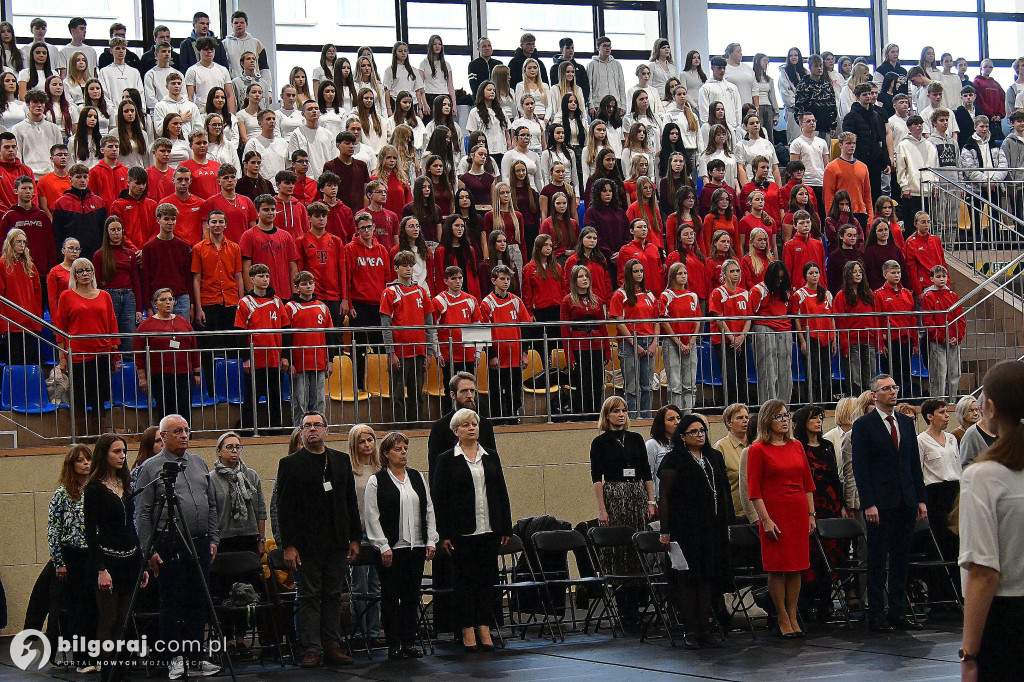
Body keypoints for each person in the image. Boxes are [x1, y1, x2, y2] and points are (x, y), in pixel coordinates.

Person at [133, 414, 221, 678]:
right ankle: (174, 657)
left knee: (198, 599)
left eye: (186, 430)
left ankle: (195, 657)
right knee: (171, 602)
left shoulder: (198, 462)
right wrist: (149, 549)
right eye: (177, 431)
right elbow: (143, 513)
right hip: (168, 541)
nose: (184, 435)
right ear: (163, 436)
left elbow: (212, 503)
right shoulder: (150, 468)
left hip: (200, 541)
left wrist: (213, 538)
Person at [276, 411, 361, 668]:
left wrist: (355, 538)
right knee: (309, 596)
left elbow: (350, 503)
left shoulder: (340, 460)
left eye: (317, 425)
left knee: (334, 596)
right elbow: (283, 508)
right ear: (301, 432)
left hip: (336, 542)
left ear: (326, 430)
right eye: (307, 426)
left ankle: (332, 646)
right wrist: (288, 545)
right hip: (305, 545)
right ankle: (311, 648)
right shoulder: (289, 464)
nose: (313, 429)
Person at [957, 360, 1024, 681]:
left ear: (991, 408)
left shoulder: (983, 476)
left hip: (1007, 618)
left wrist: (969, 652)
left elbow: (983, 573)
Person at [431, 407, 512, 652]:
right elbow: (439, 498)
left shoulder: (491, 455)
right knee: (464, 582)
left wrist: (505, 526)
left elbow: (501, 492)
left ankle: (484, 626)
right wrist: (442, 534)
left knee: (486, 580)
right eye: (466, 425)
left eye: (474, 424)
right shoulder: (446, 459)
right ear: (456, 431)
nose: (472, 428)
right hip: (461, 531)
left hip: (488, 528)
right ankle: (466, 628)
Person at [851, 374, 928, 632]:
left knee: (900, 558)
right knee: (877, 559)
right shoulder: (864, 425)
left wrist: (920, 498)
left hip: (905, 499)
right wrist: (868, 503)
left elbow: (913, 464)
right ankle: (875, 613)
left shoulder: (906, 423)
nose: (892, 392)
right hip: (880, 503)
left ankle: (897, 611)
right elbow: (860, 469)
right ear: (874, 395)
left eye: (894, 387)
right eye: (886, 389)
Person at [658, 412, 734, 648]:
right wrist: (665, 530)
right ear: (682, 436)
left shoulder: (714, 456)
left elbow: (723, 491)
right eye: (694, 432)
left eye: (702, 431)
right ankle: (690, 627)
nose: (699, 435)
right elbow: (665, 497)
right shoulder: (674, 460)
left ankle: (705, 624)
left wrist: (727, 522)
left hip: (712, 527)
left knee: (707, 575)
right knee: (688, 578)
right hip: (686, 528)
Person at [364, 431, 437, 660]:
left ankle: (409, 641)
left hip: (414, 546)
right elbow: (372, 515)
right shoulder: (376, 480)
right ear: (386, 453)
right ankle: (393, 643)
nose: (403, 453)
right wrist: (382, 545)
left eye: (405, 448)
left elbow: (428, 509)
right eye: (397, 449)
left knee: (411, 596)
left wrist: (430, 539)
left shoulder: (417, 477)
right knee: (390, 595)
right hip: (391, 549)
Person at [746, 399, 816, 638]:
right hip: (774, 513)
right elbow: (754, 490)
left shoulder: (796, 445)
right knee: (777, 568)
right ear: (767, 420)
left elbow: (808, 483)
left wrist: (811, 514)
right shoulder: (758, 449)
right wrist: (765, 520)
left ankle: (794, 614)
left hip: (797, 512)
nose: (785, 420)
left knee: (796, 567)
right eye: (779, 416)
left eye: (787, 415)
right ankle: (781, 616)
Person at [83, 433, 147, 680]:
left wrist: (141, 562)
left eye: (123, 452)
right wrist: (100, 569)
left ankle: (122, 668)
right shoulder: (94, 489)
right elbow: (90, 533)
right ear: (104, 454)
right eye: (116, 452)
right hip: (107, 560)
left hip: (129, 558)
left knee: (124, 619)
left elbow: (131, 526)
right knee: (108, 619)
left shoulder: (125, 483)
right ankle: (107, 671)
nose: (121, 456)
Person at [589, 395, 655, 628]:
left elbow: (646, 472)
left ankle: (639, 604)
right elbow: (597, 478)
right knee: (619, 551)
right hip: (614, 495)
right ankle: (624, 607)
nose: (621, 414)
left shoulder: (636, 439)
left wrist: (651, 501)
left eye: (624, 410)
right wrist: (602, 509)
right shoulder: (600, 443)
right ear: (607, 415)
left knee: (638, 550)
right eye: (616, 411)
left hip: (636, 493)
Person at [55, 257, 119, 437]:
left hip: (102, 354)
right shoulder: (66, 296)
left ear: (93, 273)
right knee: (80, 400)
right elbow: (61, 329)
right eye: (80, 271)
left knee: (99, 400)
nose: (85, 274)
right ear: (74, 275)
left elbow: (112, 325)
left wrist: (115, 355)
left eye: (88, 270)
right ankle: (82, 439)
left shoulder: (105, 296)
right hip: (77, 356)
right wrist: (62, 357)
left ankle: (100, 438)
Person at [792, 404, 845, 622]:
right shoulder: (797, 446)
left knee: (832, 554)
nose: (818, 421)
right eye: (814, 418)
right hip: (809, 504)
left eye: (820, 418)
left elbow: (834, 476)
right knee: (811, 556)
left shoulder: (826, 446)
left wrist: (841, 504)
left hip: (830, 502)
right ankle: (806, 604)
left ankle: (825, 602)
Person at [48, 445, 96, 674]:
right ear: (72, 465)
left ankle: (98, 655)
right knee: (79, 607)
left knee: (96, 606)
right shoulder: (62, 493)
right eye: (80, 460)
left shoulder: (96, 490)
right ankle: (81, 658)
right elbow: (53, 530)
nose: (86, 463)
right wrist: (59, 562)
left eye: (88, 459)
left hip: (95, 553)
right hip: (73, 554)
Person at [234, 263, 290, 431]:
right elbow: (239, 332)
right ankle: (247, 430)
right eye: (260, 276)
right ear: (252, 279)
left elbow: (286, 330)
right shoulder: (245, 302)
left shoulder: (277, 301)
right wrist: (245, 358)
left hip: (274, 358)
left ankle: (276, 430)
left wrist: (285, 355)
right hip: (255, 360)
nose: (265, 279)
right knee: (251, 398)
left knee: (275, 397)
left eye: (267, 276)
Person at [134, 287, 200, 420]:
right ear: (155, 304)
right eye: (163, 300)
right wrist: (142, 378)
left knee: (184, 409)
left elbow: (194, 349)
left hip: (183, 374)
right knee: (165, 410)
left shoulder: (184, 322)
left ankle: (186, 437)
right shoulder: (146, 326)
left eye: (170, 299)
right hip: (159, 375)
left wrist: (197, 373)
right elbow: (139, 354)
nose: (168, 302)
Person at [481, 263, 531, 423]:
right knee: (496, 391)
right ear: (494, 280)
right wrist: (491, 355)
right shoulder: (487, 303)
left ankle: (513, 418)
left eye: (508, 279)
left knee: (515, 391)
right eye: (502, 279)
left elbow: (526, 328)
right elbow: (484, 331)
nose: (506, 282)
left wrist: (524, 353)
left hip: (515, 356)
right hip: (497, 359)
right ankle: (497, 421)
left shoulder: (516, 301)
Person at [915, 399, 962, 569]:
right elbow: (918, 472)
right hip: (935, 494)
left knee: (956, 539)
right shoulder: (921, 440)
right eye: (941, 412)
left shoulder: (951, 439)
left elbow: (958, 467)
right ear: (930, 417)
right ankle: (940, 588)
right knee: (939, 540)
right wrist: (921, 501)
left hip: (954, 490)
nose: (947, 416)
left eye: (947, 411)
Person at [748, 260, 793, 403]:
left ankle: (784, 406)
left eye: (782, 278)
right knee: (768, 371)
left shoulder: (785, 291)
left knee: (785, 372)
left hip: (784, 329)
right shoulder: (758, 290)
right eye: (777, 278)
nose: (779, 281)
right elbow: (751, 314)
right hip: (764, 328)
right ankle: (768, 407)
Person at [873, 260, 918, 399]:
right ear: (885, 274)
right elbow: (877, 321)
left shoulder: (907, 293)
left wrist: (915, 341)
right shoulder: (878, 294)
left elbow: (913, 319)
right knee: (890, 373)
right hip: (890, 341)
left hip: (906, 339)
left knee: (906, 371)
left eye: (898, 272)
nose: (896, 275)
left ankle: (905, 398)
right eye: (893, 273)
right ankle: (890, 399)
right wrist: (879, 343)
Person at [0, 227, 43, 364]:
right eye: (19, 241)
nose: (22, 245)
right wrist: (3, 325)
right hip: (11, 324)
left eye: (24, 242)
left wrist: (37, 323)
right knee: (14, 363)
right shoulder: (2, 264)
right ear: (10, 243)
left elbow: (38, 297)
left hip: (29, 323)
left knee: (28, 362)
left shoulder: (30, 265)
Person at [715, 403, 751, 522]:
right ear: (729, 423)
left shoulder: (756, 444)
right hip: (737, 513)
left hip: (760, 510)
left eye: (746, 417)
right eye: (740, 418)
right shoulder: (721, 447)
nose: (745, 421)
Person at [646, 404, 682, 496]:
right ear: (661, 423)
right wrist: (652, 499)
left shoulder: (683, 444)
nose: (677, 422)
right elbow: (648, 474)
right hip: (661, 497)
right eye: (671, 419)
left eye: (678, 418)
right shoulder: (652, 444)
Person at [587, 37, 626, 120]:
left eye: (609, 46)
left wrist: (623, 105)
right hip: (598, 105)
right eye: (604, 46)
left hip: (615, 105)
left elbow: (621, 86)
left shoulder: (617, 64)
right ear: (598, 47)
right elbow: (589, 86)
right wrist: (590, 105)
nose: (607, 48)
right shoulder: (592, 65)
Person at [960, 398, 999, 468]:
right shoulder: (971, 435)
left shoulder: (1003, 430)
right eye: (970, 411)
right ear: (982, 408)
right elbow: (966, 467)